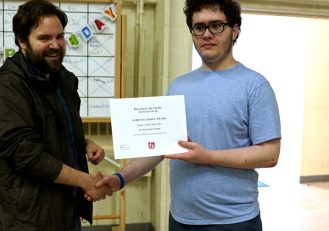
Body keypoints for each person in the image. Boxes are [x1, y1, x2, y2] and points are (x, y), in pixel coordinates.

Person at [96, 0, 281, 230]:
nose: (207, 34)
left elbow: (270, 155)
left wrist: (208, 156)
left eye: (216, 26)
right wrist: (120, 178)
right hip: (182, 219)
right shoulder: (179, 87)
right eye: (199, 27)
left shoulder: (255, 86)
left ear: (235, 30)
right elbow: (161, 148)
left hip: (234, 220)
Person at [0, 0, 112, 230]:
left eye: (59, 36)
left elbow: (52, 128)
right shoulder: (5, 90)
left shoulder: (62, 79)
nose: (55, 45)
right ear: (22, 41)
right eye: (44, 38)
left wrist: (83, 142)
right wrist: (86, 181)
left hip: (65, 212)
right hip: (25, 221)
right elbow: (28, 156)